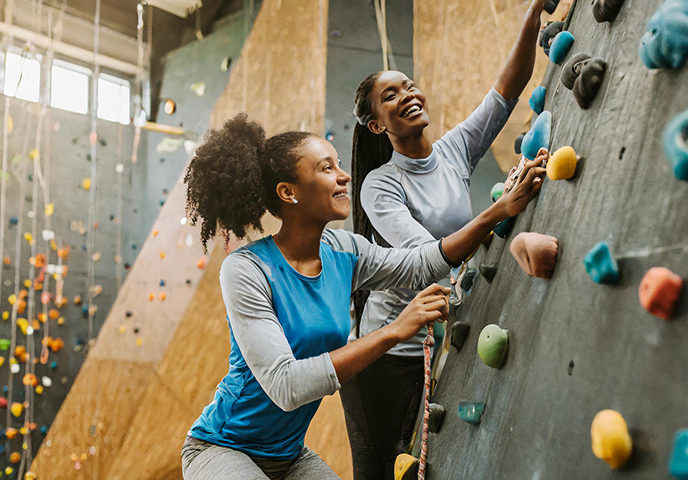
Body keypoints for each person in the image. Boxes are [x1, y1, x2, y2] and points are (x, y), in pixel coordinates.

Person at [180, 113, 545, 479]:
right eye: (327, 168)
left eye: (339, 164)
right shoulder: (246, 270)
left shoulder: (343, 250)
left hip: (288, 455)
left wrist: (497, 212)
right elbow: (286, 386)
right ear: (288, 192)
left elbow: (419, 264)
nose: (344, 176)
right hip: (223, 448)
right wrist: (392, 331)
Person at [342, 1, 549, 478]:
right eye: (390, 96)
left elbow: (506, 90)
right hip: (385, 359)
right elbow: (425, 260)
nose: (407, 94)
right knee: (380, 471)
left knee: (426, 468)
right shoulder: (380, 185)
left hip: (435, 347)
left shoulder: (453, 150)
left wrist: (532, 14)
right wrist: (501, 209)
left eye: (409, 85)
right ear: (377, 124)